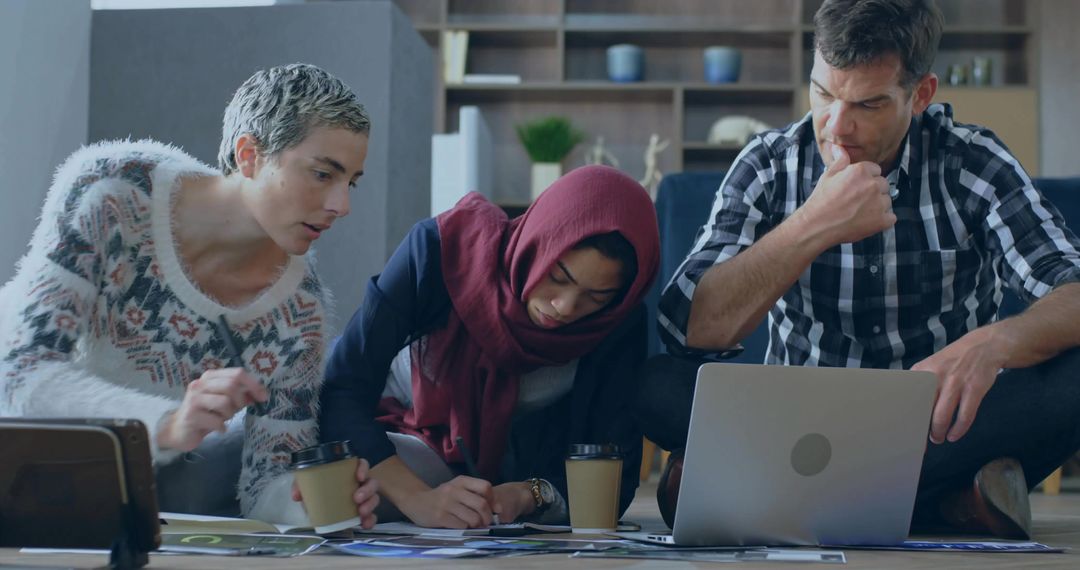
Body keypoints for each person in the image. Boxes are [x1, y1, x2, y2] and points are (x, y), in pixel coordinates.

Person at [640, 0, 1080, 539]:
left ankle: (761, 496)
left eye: (869, 104)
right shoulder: (769, 163)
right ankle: (948, 505)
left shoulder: (972, 162)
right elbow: (688, 330)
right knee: (657, 385)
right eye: (824, 93)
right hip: (793, 431)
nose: (836, 125)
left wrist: (994, 344)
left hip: (936, 429)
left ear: (920, 95)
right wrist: (812, 225)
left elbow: (1073, 289)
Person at [0, 63, 379, 527]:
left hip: (116, 495)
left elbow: (266, 485)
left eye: (351, 182)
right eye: (323, 174)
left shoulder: (298, 314)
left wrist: (317, 502)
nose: (342, 206)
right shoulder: (113, 191)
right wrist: (167, 424)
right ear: (249, 155)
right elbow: (19, 374)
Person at [319, 165, 660, 528]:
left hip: (466, 478)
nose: (566, 307)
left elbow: (612, 479)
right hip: (386, 431)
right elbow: (341, 389)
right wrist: (417, 500)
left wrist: (528, 494)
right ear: (536, 242)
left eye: (596, 297)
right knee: (282, 456)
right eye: (557, 277)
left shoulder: (617, 324)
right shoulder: (441, 250)